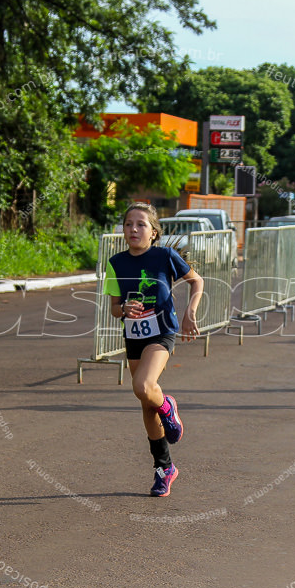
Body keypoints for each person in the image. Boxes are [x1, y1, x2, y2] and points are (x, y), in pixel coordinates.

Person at [105, 202, 204, 497]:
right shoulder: (116, 263)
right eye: (128, 224)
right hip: (134, 336)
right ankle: (165, 469)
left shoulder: (165, 256)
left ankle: (168, 407)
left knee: (144, 385)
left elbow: (196, 281)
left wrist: (190, 312)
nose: (133, 229)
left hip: (162, 332)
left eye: (141, 224)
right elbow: (113, 308)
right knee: (145, 400)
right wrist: (123, 308)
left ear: (153, 232)